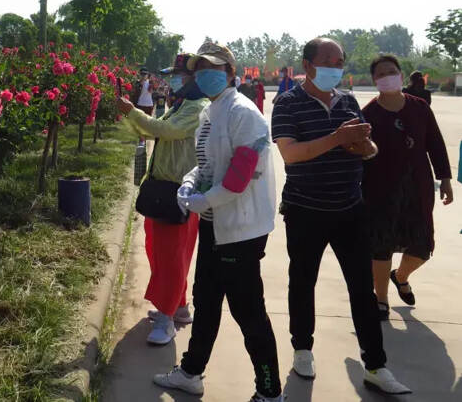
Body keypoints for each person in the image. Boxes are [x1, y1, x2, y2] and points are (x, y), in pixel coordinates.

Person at [271, 37, 410, 394]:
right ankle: (303, 347)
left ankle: (376, 365)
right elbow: (292, 155)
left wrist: (365, 146)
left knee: (362, 290)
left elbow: (369, 148)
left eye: (340, 61)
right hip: (305, 210)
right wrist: (336, 138)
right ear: (307, 66)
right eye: (328, 61)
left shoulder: (348, 101)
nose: (336, 67)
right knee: (303, 281)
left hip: (350, 208)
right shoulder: (287, 103)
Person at [154, 43, 282, 402]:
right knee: (206, 301)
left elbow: (240, 178)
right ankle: (192, 372)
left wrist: (203, 200)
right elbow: (208, 163)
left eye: (212, 67)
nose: (204, 75)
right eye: (199, 69)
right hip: (214, 224)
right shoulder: (212, 112)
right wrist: (191, 181)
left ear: (229, 71)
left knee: (248, 312)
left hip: (239, 230)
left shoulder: (244, 114)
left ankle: (270, 392)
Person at [119, 54, 206, 345]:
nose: (173, 81)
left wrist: (132, 111)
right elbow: (152, 130)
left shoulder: (198, 108)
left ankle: (166, 319)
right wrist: (132, 116)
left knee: (171, 256)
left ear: (195, 78)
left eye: (179, 75)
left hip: (179, 191)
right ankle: (179, 306)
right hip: (163, 188)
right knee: (160, 250)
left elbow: (166, 131)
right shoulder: (180, 105)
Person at [362, 55, 453, 320]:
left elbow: (435, 143)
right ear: (374, 80)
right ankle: (380, 298)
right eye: (381, 74)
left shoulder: (420, 107)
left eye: (392, 71)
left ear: (401, 75)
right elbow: (359, 155)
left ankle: (401, 276)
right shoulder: (368, 114)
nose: (387, 76)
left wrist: (445, 178)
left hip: (418, 186)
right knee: (381, 246)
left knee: (421, 248)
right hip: (380, 190)